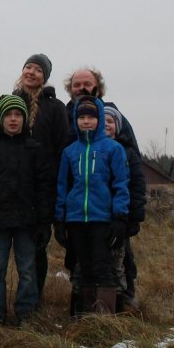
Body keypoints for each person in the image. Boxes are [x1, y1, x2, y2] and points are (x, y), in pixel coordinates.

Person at [0, 54, 69, 304]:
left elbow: (62, 148)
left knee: (35, 253)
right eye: (28, 67)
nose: (31, 72)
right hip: (6, 193)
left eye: (38, 70)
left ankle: (35, 301)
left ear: (44, 77)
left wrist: (55, 190)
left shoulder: (55, 107)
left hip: (40, 190)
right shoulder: (7, 101)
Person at [0, 95, 52, 325]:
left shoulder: (35, 148)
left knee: (27, 270)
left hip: (28, 222)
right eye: (8, 115)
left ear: (25, 119)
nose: (13, 119)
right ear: (0, 118)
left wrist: (44, 223)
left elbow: (44, 188)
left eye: (18, 115)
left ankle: (26, 313)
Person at [54, 95, 130, 314]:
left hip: (102, 220)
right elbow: (62, 187)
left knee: (103, 268)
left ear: (98, 119)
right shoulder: (70, 152)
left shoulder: (113, 149)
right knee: (82, 269)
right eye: (81, 117)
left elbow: (121, 184)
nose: (86, 121)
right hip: (76, 220)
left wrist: (120, 218)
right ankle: (83, 317)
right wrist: (60, 220)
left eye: (91, 117)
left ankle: (105, 318)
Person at [103, 106, 146, 311]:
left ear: (118, 127)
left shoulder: (128, 153)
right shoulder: (90, 150)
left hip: (122, 217)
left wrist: (135, 217)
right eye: (101, 122)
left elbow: (137, 187)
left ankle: (125, 301)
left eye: (110, 122)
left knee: (122, 261)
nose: (105, 126)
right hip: (98, 217)